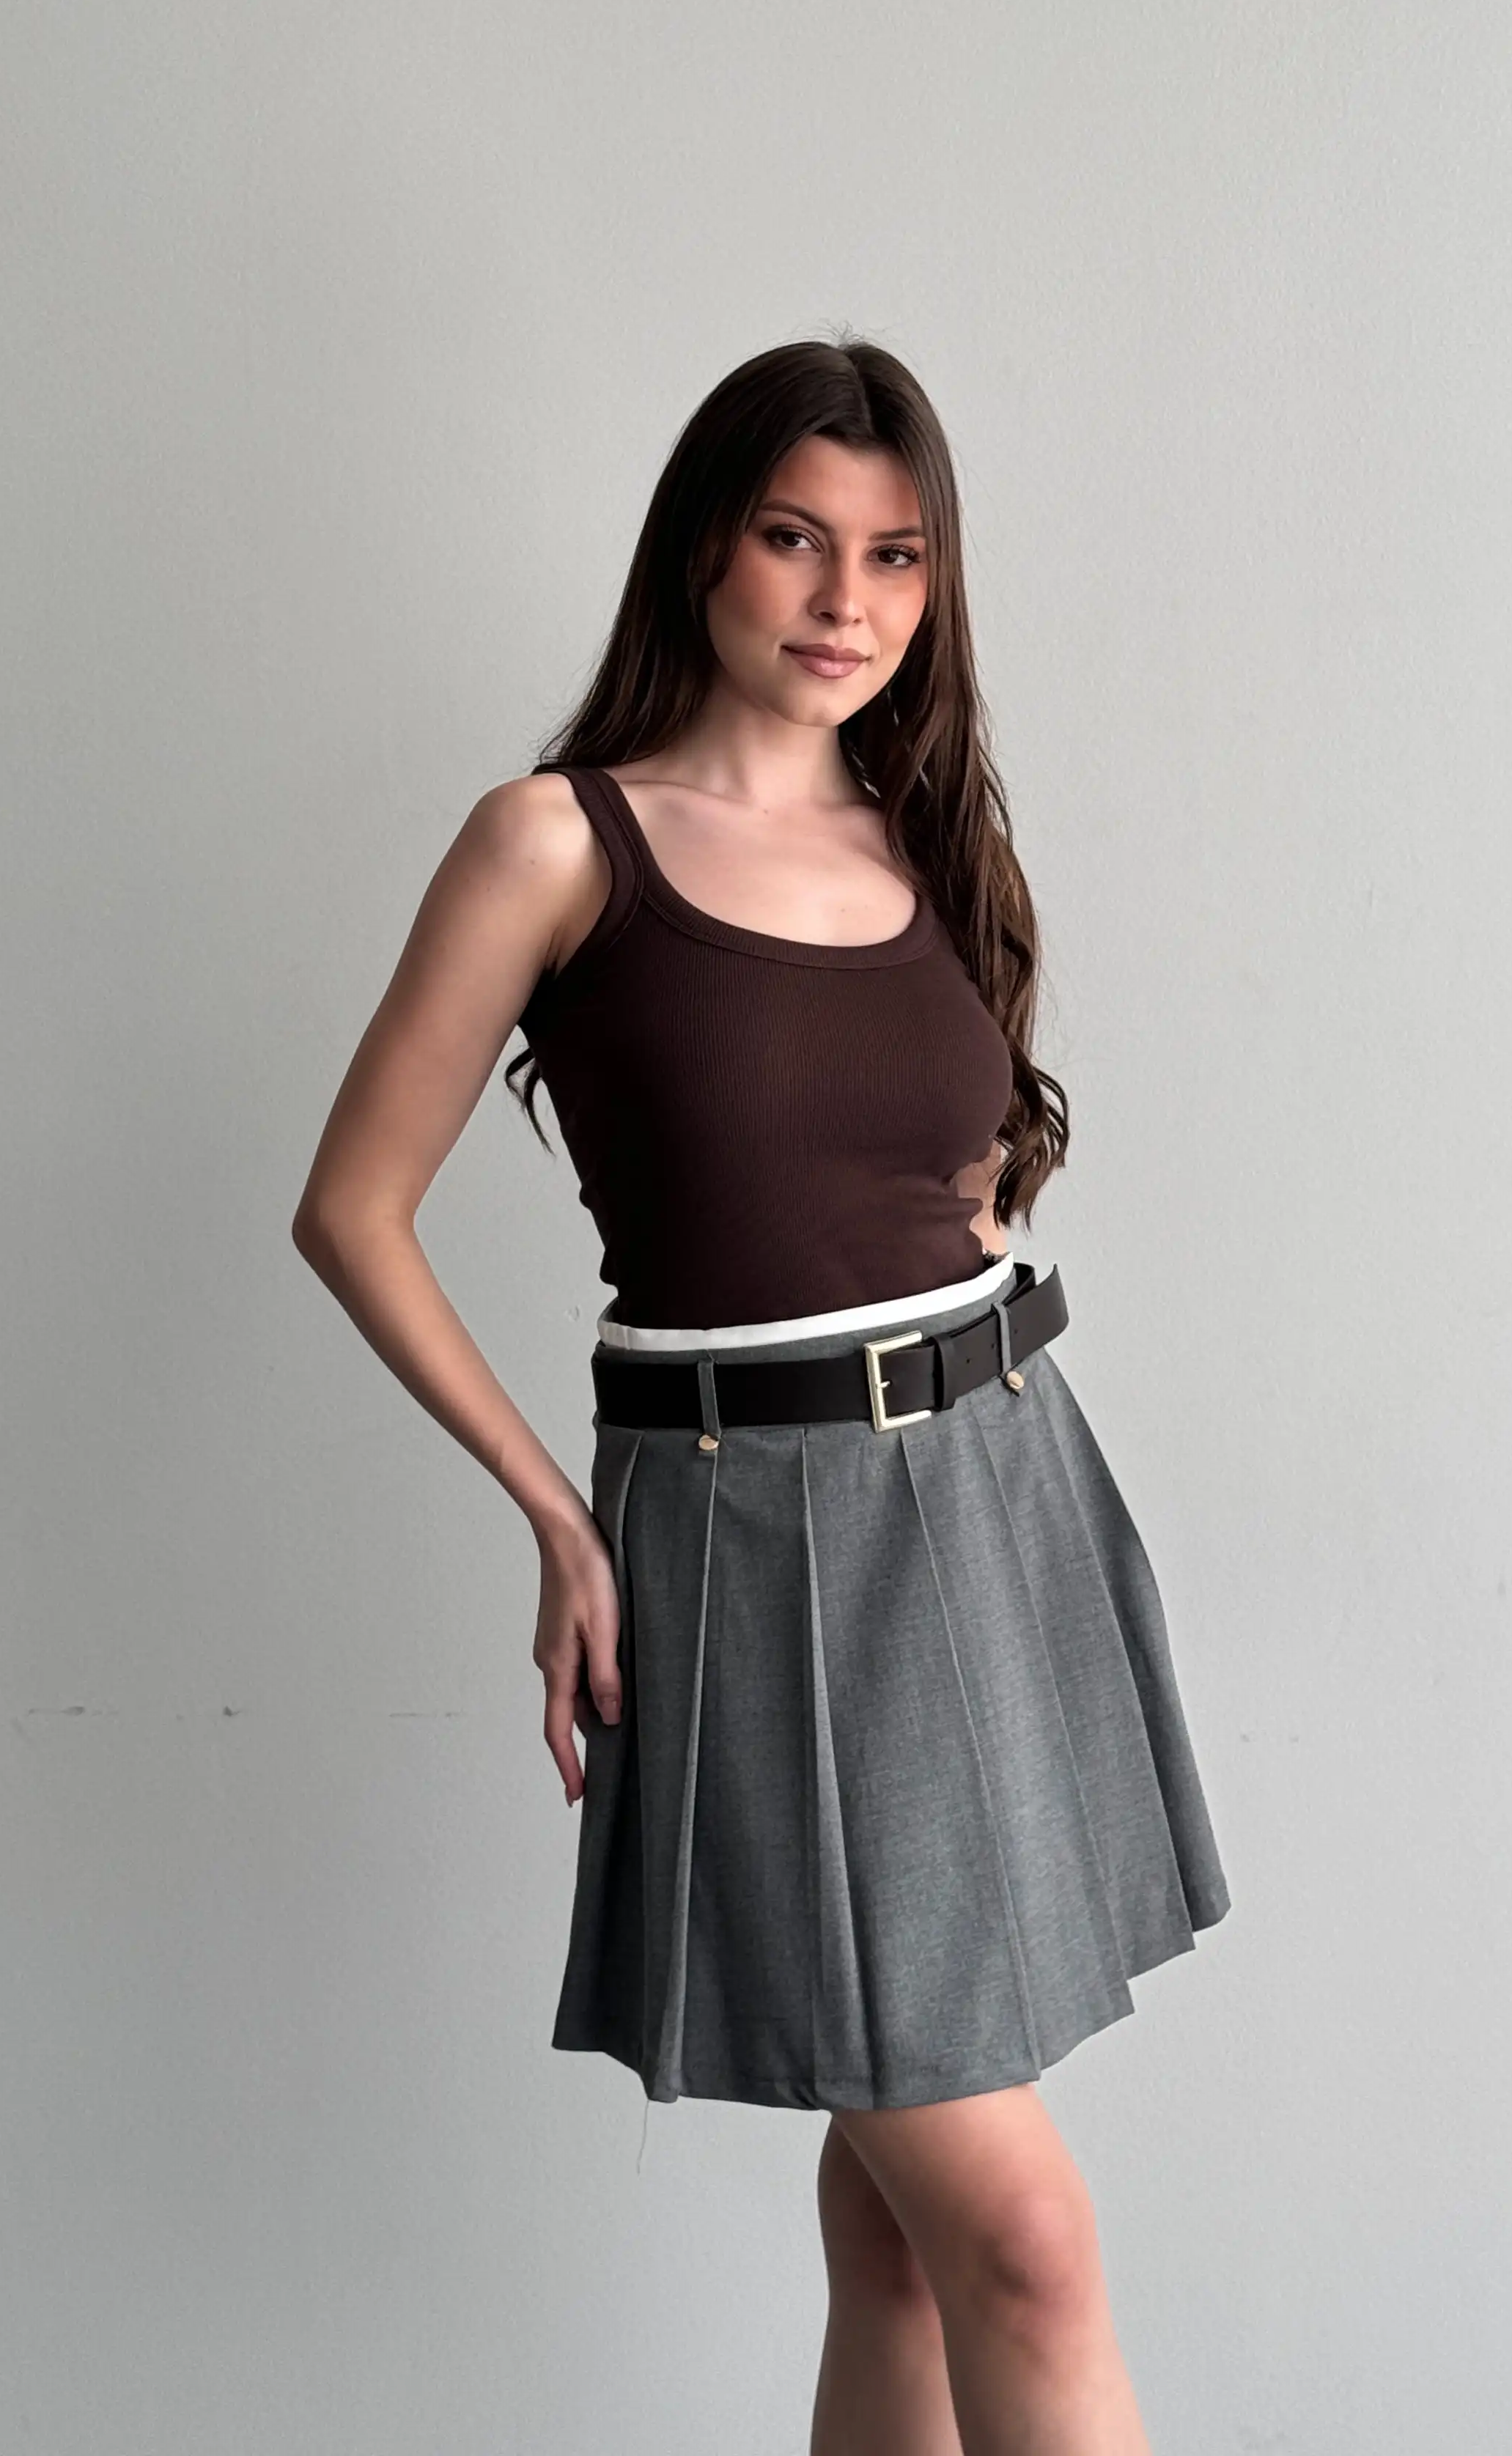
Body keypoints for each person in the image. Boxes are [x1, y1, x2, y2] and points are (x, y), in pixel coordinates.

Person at [292, 335, 1231, 2455]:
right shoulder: (560, 843)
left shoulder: (926, 832)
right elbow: (353, 1207)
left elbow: (935, 1178)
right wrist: (560, 1518)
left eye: (895, 556)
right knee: (1025, 2240)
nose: (844, 600)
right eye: (797, 538)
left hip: (999, 1501)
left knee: (901, 2233)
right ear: (704, 545)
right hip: (764, 1538)